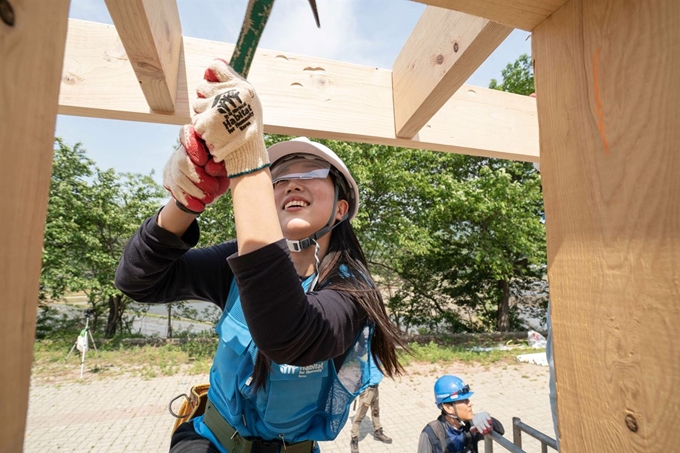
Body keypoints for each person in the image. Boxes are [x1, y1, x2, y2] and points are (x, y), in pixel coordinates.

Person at [115, 58, 407, 453]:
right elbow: (138, 281)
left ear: (341, 209)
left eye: (310, 173)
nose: (291, 183)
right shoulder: (235, 263)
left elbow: (289, 335)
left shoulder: (352, 292)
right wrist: (185, 203)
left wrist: (248, 158)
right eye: (279, 177)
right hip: (209, 442)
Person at [418, 375, 504, 453]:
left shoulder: (471, 426)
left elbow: (500, 431)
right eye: (464, 401)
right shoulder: (431, 434)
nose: (470, 403)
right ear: (448, 408)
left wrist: (488, 420)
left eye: (468, 399)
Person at [348, 355, 392, 453]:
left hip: (375, 387)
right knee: (360, 415)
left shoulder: (377, 351)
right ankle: (354, 438)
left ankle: (378, 432)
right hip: (367, 389)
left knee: (376, 411)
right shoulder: (365, 351)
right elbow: (359, 365)